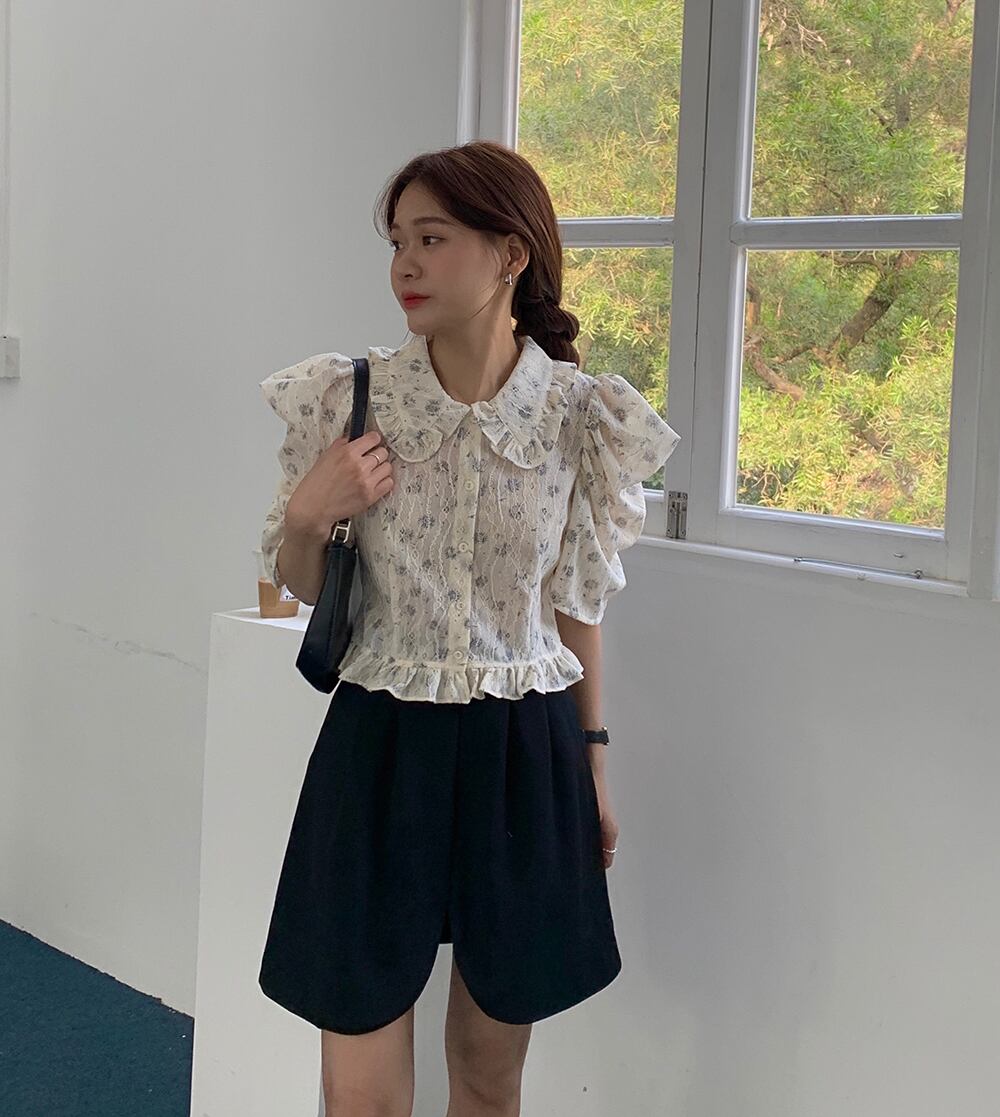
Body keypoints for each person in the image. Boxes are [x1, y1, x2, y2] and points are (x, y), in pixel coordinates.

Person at [255, 140, 681, 1117]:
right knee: (359, 1093)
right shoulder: (350, 396)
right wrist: (311, 515)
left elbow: (576, 606)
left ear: (510, 253)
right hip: (378, 743)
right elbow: (308, 583)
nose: (405, 264)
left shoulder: (579, 415)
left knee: (489, 1077)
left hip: (524, 751)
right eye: (398, 242)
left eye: (432, 238)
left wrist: (595, 766)